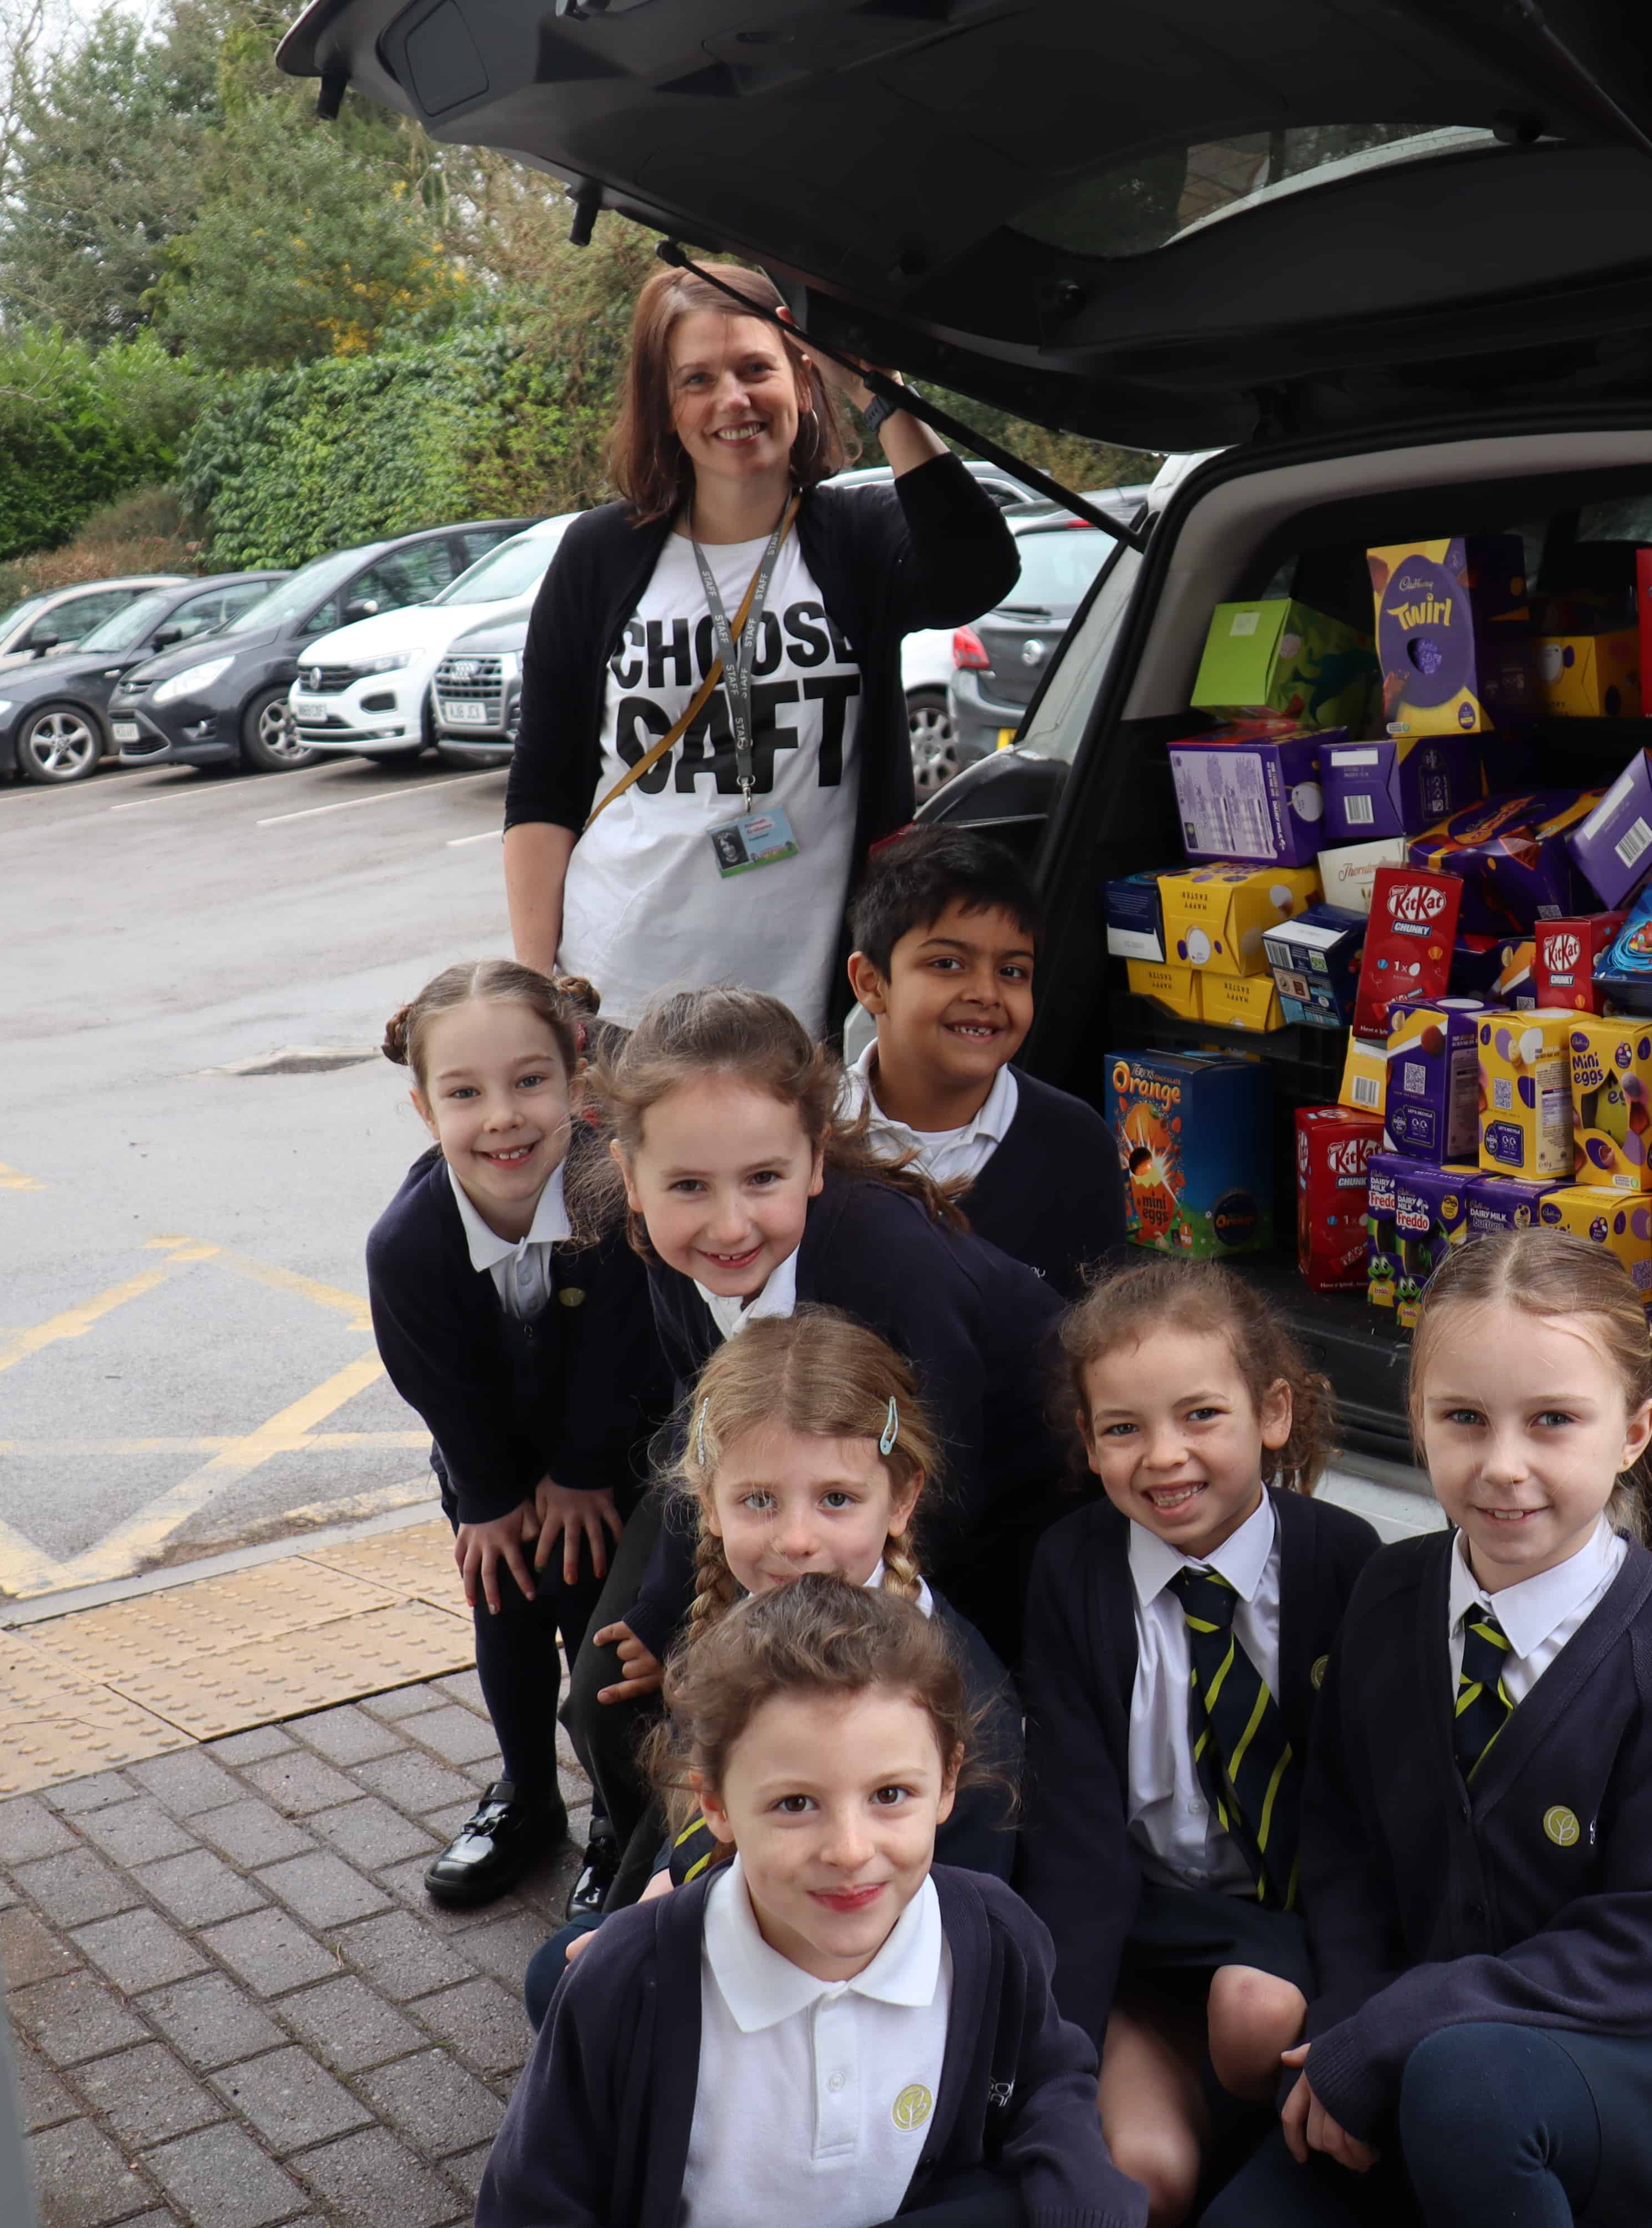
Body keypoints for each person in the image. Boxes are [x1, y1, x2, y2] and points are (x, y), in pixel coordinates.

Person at [1204, 1227, 1652, 2228]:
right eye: (1466, 1420)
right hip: (1436, 2037)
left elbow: (1650, 1945)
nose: (1503, 1466)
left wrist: (1401, 2027)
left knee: (1466, 2091)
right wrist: (1355, 2021)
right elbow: (1343, 1848)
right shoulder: (1388, 1598)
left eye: (1553, 1421)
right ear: (1418, 1419)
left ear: (1633, 1431)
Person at [560, 988, 1069, 1874]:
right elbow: (706, 1414)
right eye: (688, 1186)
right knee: (612, 1685)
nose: (728, 1224)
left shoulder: (890, 1266)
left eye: (763, 1179)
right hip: (781, 1479)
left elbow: (941, 1479)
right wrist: (668, 1600)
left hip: (978, 1518)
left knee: (835, 1706)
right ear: (633, 1181)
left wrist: (788, 1611)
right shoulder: (670, 1250)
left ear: (815, 1159)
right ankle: (645, 1854)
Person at [482, 1577, 1143, 2228]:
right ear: (714, 1804)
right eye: (796, 1803)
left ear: (947, 1783)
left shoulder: (993, 1937)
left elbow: (1048, 2080)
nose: (850, 1850)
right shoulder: (626, 1980)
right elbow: (534, 2196)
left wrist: (1082, 2192)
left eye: (890, 1795)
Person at [504, 260, 1017, 1037]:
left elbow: (978, 571)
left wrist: (880, 394)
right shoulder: (600, 554)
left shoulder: (855, 537)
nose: (733, 400)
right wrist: (536, 992)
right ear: (664, 404)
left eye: (755, 369)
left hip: (807, 1004)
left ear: (802, 382)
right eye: (698, 380)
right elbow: (542, 787)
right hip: (622, 992)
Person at [524, 1307, 1023, 2022]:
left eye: (837, 1499)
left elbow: (952, 1925)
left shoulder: (956, 1695)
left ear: (903, 1497)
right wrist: (664, 1890)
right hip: (747, 1898)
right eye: (759, 1500)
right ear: (710, 1503)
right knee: (567, 1976)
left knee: (578, 1991)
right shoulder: (752, 1618)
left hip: (854, 1971)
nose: (796, 1540)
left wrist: (693, 1925)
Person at [1021, 1261, 1381, 2225]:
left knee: (1253, 2011)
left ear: (1271, 1413)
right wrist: (1051, 2057)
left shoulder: (1345, 1564)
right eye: (1122, 1430)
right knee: (1141, 2181)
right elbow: (1075, 1835)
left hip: (1291, 1934)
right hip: (1147, 1929)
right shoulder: (1073, 1570)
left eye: (1199, 1417)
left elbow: (1364, 1826)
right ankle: (1198, 2112)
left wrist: (1351, 2018)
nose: (1163, 1458)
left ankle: (1269, 2130)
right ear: (1088, 1446)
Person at [365, 960, 661, 1913]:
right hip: (488, 1455)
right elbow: (436, 1384)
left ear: (577, 1079)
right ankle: (525, 1792)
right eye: (465, 1093)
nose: (503, 1117)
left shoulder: (616, 1195)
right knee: (506, 1598)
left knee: (591, 1607)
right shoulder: (406, 1243)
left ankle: (618, 1805)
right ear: (423, 1108)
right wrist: (490, 1502)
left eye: (530, 1081)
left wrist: (577, 1476)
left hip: (607, 1452)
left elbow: (624, 1354)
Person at [842, 825, 1121, 1297]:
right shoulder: (809, 1138)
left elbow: (1098, 1339)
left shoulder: (1076, 1144)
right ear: (871, 982)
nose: (987, 994)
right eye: (948, 964)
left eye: (1012, 972)